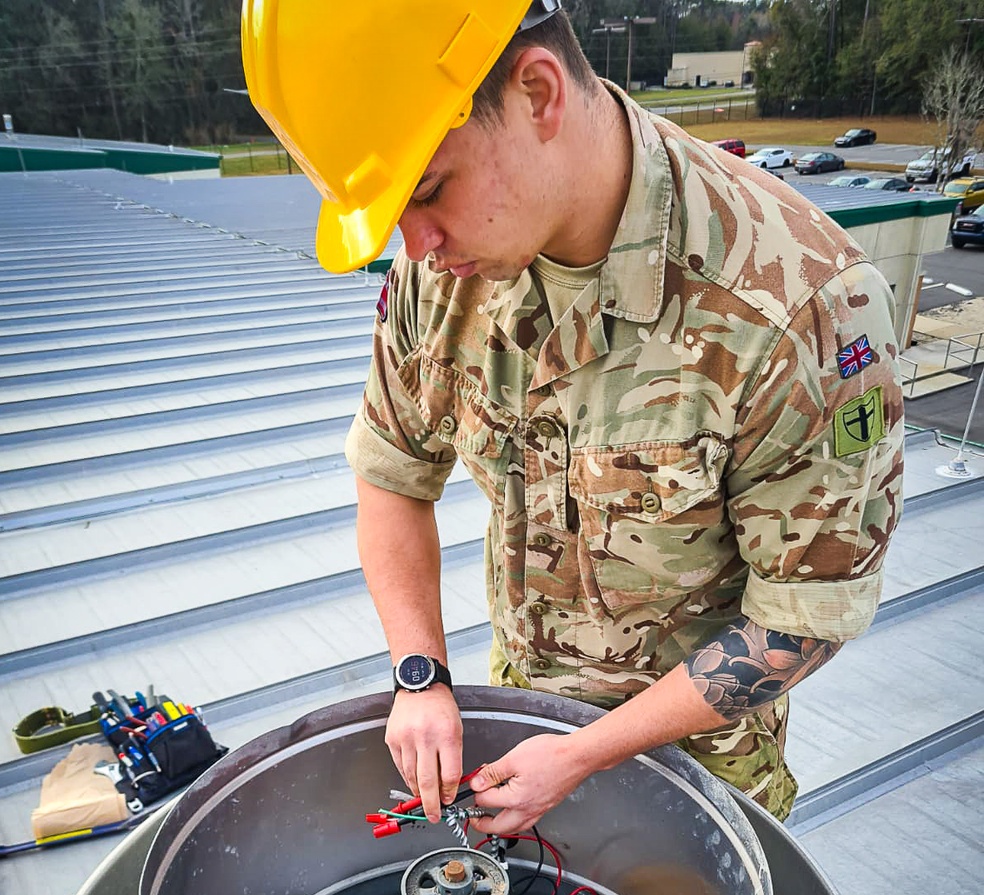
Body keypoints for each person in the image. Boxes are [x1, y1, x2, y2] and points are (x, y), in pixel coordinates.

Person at [243, 0, 904, 837]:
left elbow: (800, 620)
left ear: (538, 92)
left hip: (698, 790)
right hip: (513, 749)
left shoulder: (799, 305)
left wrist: (587, 750)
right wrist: (420, 675)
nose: (413, 244)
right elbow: (391, 475)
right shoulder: (444, 266)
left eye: (427, 190)